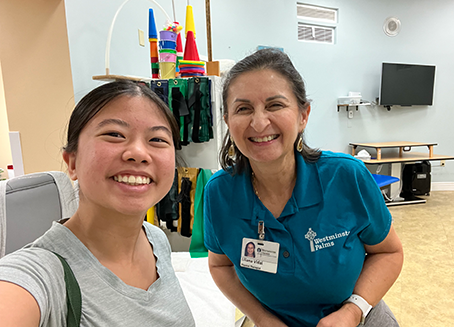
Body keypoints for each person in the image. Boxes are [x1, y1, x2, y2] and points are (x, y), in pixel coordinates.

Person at [204, 49, 403, 327]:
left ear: (303, 115)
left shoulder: (346, 176)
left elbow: (389, 252)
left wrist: (353, 311)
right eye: (243, 108)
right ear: (227, 121)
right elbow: (220, 265)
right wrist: (262, 319)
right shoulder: (219, 194)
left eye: (274, 105)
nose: (259, 123)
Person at [0, 81, 195, 326]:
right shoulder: (43, 273)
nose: (138, 152)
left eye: (157, 139)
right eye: (114, 134)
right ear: (71, 163)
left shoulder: (155, 240)